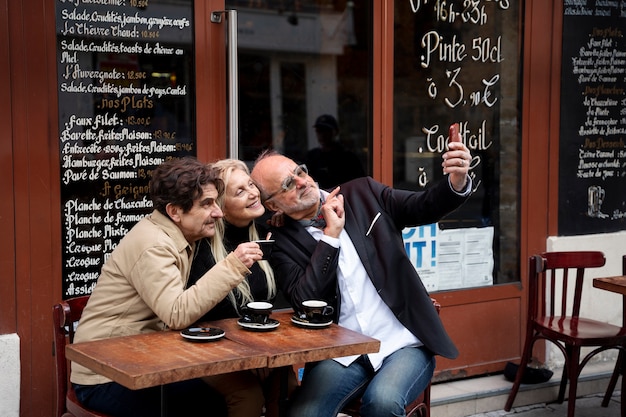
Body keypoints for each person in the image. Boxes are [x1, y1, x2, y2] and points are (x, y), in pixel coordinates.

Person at [250, 133, 472, 417]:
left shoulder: (363, 194)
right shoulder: (282, 241)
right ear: (273, 206)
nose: (303, 182)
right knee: (304, 414)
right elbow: (305, 301)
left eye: (300, 172)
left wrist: (457, 181)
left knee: (382, 403)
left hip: (403, 341)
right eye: (287, 185)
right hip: (342, 352)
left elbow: (422, 205)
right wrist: (330, 237)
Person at [71, 157, 262, 417]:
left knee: (231, 393)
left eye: (216, 202)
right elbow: (176, 314)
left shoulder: (180, 233)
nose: (217, 212)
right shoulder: (154, 244)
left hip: (142, 362)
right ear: (174, 212)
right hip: (105, 377)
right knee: (209, 405)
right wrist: (233, 265)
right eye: (207, 204)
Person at [189, 158, 297, 417]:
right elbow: (207, 313)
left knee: (288, 387)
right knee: (247, 398)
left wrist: (264, 353)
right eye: (240, 191)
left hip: (263, 343)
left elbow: (276, 301)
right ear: (221, 207)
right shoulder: (203, 247)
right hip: (212, 347)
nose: (253, 193)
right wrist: (249, 355)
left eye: (251, 184)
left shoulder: (268, 233)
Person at [305, 114, 366, 189]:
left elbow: (359, 183)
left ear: (336, 132)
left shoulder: (348, 158)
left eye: (326, 130)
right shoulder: (312, 156)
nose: (322, 134)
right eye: (319, 131)